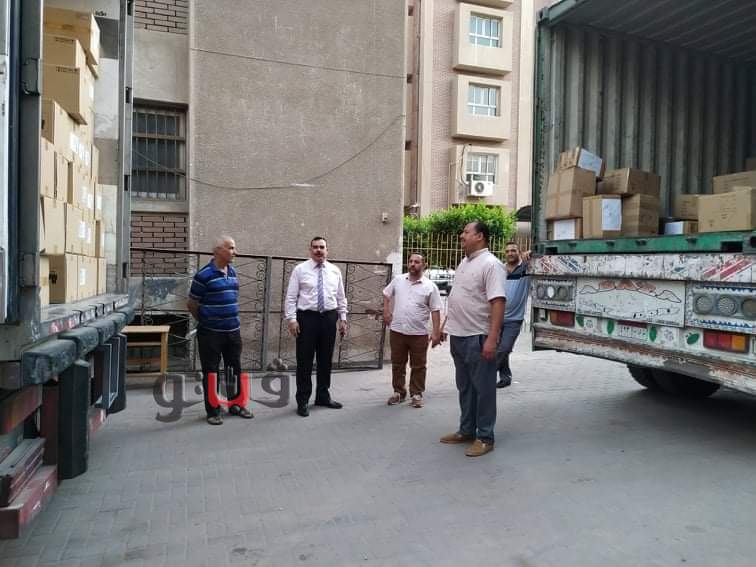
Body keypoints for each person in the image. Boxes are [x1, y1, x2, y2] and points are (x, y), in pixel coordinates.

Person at [440, 221, 506, 457]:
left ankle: (485, 437)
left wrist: (492, 339)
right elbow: (458, 297)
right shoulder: (464, 263)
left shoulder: (491, 264)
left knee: (484, 390)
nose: (461, 235)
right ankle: (467, 430)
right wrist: (444, 326)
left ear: (480, 236)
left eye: (466, 232)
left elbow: (498, 301)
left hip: (478, 337)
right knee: (465, 387)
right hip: (458, 336)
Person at [187, 235, 253, 425]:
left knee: (234, 370)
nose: (235, 252)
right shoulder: (203, 275)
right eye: (231, 248)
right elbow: (191, 303)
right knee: (211, 372)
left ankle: (236, 405)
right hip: (210, 333)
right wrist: (206, 320)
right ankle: (213, 411)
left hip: (233, 331)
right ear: (217, 250)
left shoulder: (232, 272)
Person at [285, 237, 348, 417]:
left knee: (325, 360)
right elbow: (291, 297)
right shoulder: (300, 270)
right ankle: (303, 400)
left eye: (322, 247)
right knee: (304, 361)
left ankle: (322, 396)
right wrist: (292, 319)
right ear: (310, 250)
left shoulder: (335, 271)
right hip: (307, 318)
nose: (318, 250)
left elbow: (341, 297)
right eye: (315, 247)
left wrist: (343, 319)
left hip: (329, 318)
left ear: (327, 250)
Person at [382, 253, 442, 408]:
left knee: (419, 365)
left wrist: (436, 333)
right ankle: (398, 392)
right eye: (410, 261)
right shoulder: (398, 280)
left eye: (417, 262)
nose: (413, 264)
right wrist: (386, 311)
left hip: (419, 333)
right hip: (398, 331)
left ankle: (416, 394)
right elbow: (386, 294)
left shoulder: (430, 286)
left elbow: (435, 310)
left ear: (424, 265)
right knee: (398, 363)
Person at [496, 242, 531, 388]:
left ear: (519, 252)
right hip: (496, 317)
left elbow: (542, 255)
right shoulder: (500, 269)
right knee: (499, 348)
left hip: (514, 319)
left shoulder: (527, 268)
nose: (510, 253)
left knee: (504, 348)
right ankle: (505, 377)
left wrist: (530, 253)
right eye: (507, 251)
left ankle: (485, 373)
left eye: (513, 250)